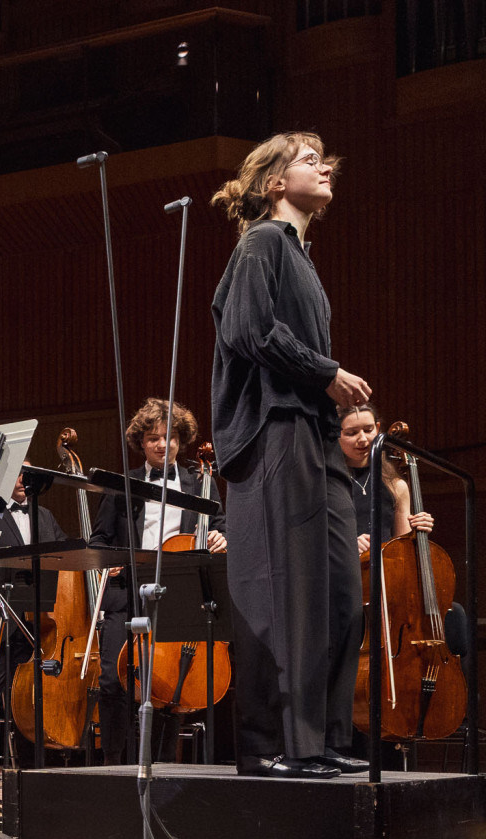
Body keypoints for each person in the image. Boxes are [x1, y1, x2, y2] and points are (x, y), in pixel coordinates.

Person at [210, 131, 369, 779]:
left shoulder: (300, 255)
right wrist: (327, 372)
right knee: (285, 591)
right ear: (275, 182)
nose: (325, 167)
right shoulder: (262, 242)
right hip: (276, 427)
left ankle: (321, 736)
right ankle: (272, 745)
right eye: (309, 160)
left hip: (313, 433)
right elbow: (249, 331)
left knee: (338, 593)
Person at [89, 400, 227, 764]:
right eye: (153, 438)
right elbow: (100, 539)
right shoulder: (123, 485)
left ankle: (163, 765)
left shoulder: (201, 482)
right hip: (127, 590)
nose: (163, 444)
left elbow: (221, 525)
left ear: (181, 440)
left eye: (170, 437)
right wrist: (110, 560)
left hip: (177, 591)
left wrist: (220, 537)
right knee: (112, 680)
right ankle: (112, 764)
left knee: (168, 686)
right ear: (141, 442)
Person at [0, 464, 68, 778]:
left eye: (29, 474)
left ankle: (31, 770)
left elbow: (65, 554)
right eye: (19, 472)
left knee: (28, 697)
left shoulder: (45, 515)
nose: (24, 480)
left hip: (37, 622)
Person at [337, 404, 434, 550]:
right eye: (352, 433)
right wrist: (347, 547)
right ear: (336, 433)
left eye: (368, 430)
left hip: (386, 564)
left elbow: (402, 548)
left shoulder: (396, 485)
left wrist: (418, 529)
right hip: (343, 563)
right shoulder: (328, 482)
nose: (362, 439)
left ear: (377, 428)